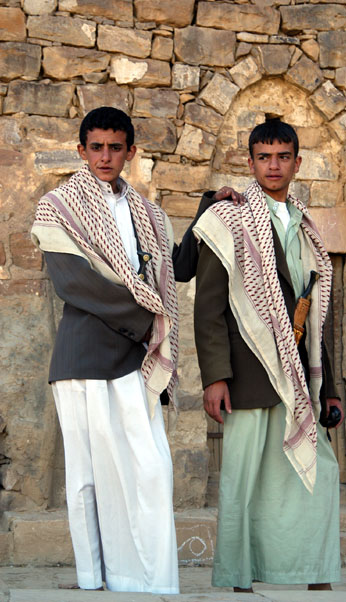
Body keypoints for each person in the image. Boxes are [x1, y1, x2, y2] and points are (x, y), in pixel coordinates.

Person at [31, 106, 241, 594]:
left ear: (130, 151)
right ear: (81, 150)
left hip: (135, 358)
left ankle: (145, 576)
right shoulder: (57, 206)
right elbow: (74, 283)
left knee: (149, 470)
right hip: (84, 356)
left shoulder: (147, 212)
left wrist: (209, 209)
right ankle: (94, 578)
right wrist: (148, 320)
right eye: (97, 147)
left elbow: (177, 268)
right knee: (86, 477)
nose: (106, 156)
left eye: (115, 147)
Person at [193, 118, 344, 592]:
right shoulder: (228, 220)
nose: (273, 165)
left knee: (316, 474)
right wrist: (215, 376)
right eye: (264, 156)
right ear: (251, 161)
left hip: (299, 376)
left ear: (298, 163)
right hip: (248, 374)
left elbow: (313, 315)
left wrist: (331, 389)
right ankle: (239, 576)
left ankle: (310, 571)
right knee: (242, 480)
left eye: (282, 157)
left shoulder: (305, 227)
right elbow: (209, 306)